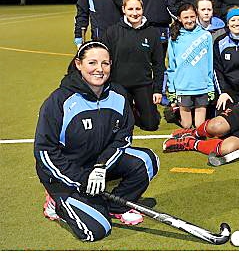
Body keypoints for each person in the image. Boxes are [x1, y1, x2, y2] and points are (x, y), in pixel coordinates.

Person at [34, 41, 160, 241]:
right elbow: (45, 152)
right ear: (78, 64)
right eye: (92, 63)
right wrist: (81, 179)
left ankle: (116, 206)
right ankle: (56, 201)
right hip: (65, 173)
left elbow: (122, 139)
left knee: (147, 160)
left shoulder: (119, 95)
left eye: (105, 64)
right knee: (96, 231)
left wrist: (101, 167)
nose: (99, 69)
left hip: (97, 165)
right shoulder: (59, 101)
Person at [101, 0, 165, 131]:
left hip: (143, 84)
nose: (134, 13)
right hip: (119, 85)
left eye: (138, 9)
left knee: (151, 125)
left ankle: (137, 110)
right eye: (130, 9)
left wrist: (158, 90)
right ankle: (130, 111)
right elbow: (104, 60)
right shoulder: (112, 32)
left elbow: (158, 63)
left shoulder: (152, 32)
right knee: (121, 126)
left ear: (143, 9)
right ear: (123, 9)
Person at [166, 3, 214, 130]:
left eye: (192, 17)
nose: (189, 20)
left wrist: (210, 86)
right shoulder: (174, 37)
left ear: (196, 16)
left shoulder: (206, 36)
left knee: (199, 126)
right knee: (186, 126)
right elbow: (171, 65)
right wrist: (172, 88)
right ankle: (176, 110)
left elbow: (210, 64)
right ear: (179, 19)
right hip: (183, 87)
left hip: (201, 86)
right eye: (185, 17)